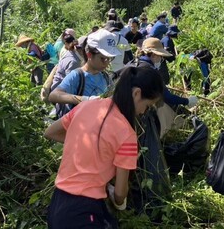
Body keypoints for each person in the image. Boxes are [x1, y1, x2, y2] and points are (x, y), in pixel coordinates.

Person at [45, 65, 165, 229]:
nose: (144, 111)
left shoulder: (86, 107)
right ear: (137, 94)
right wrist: (119, 202)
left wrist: (87, 148)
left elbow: (51, 132)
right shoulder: (126, 133)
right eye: (148, 105)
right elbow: (120, 193)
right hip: (85, 213)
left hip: (58, 204)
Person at [48, 29, 121, 118]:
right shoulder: (77, 75)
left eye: (110, 59)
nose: (107, 63)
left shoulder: (105, 77)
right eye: (103, 59)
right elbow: (53, 96)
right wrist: (84, 99)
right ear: (89, 54)